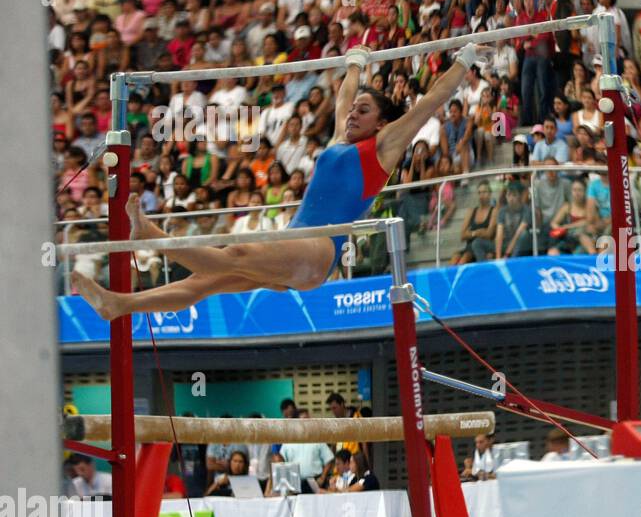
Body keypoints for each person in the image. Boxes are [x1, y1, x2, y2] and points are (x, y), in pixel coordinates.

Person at [72, 42, 484, 319]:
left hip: (318, 249)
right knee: (202, 283)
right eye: (355, 110)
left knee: (233, 254)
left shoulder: (385, 146)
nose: (354, 114)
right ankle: (117, 304)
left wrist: (463, 60)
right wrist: (355, 63)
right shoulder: (343, 137)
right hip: (297, 245)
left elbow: (431, 101)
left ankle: (152, 236)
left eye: (364, 111)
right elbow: (344, 96)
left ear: (382, 122)